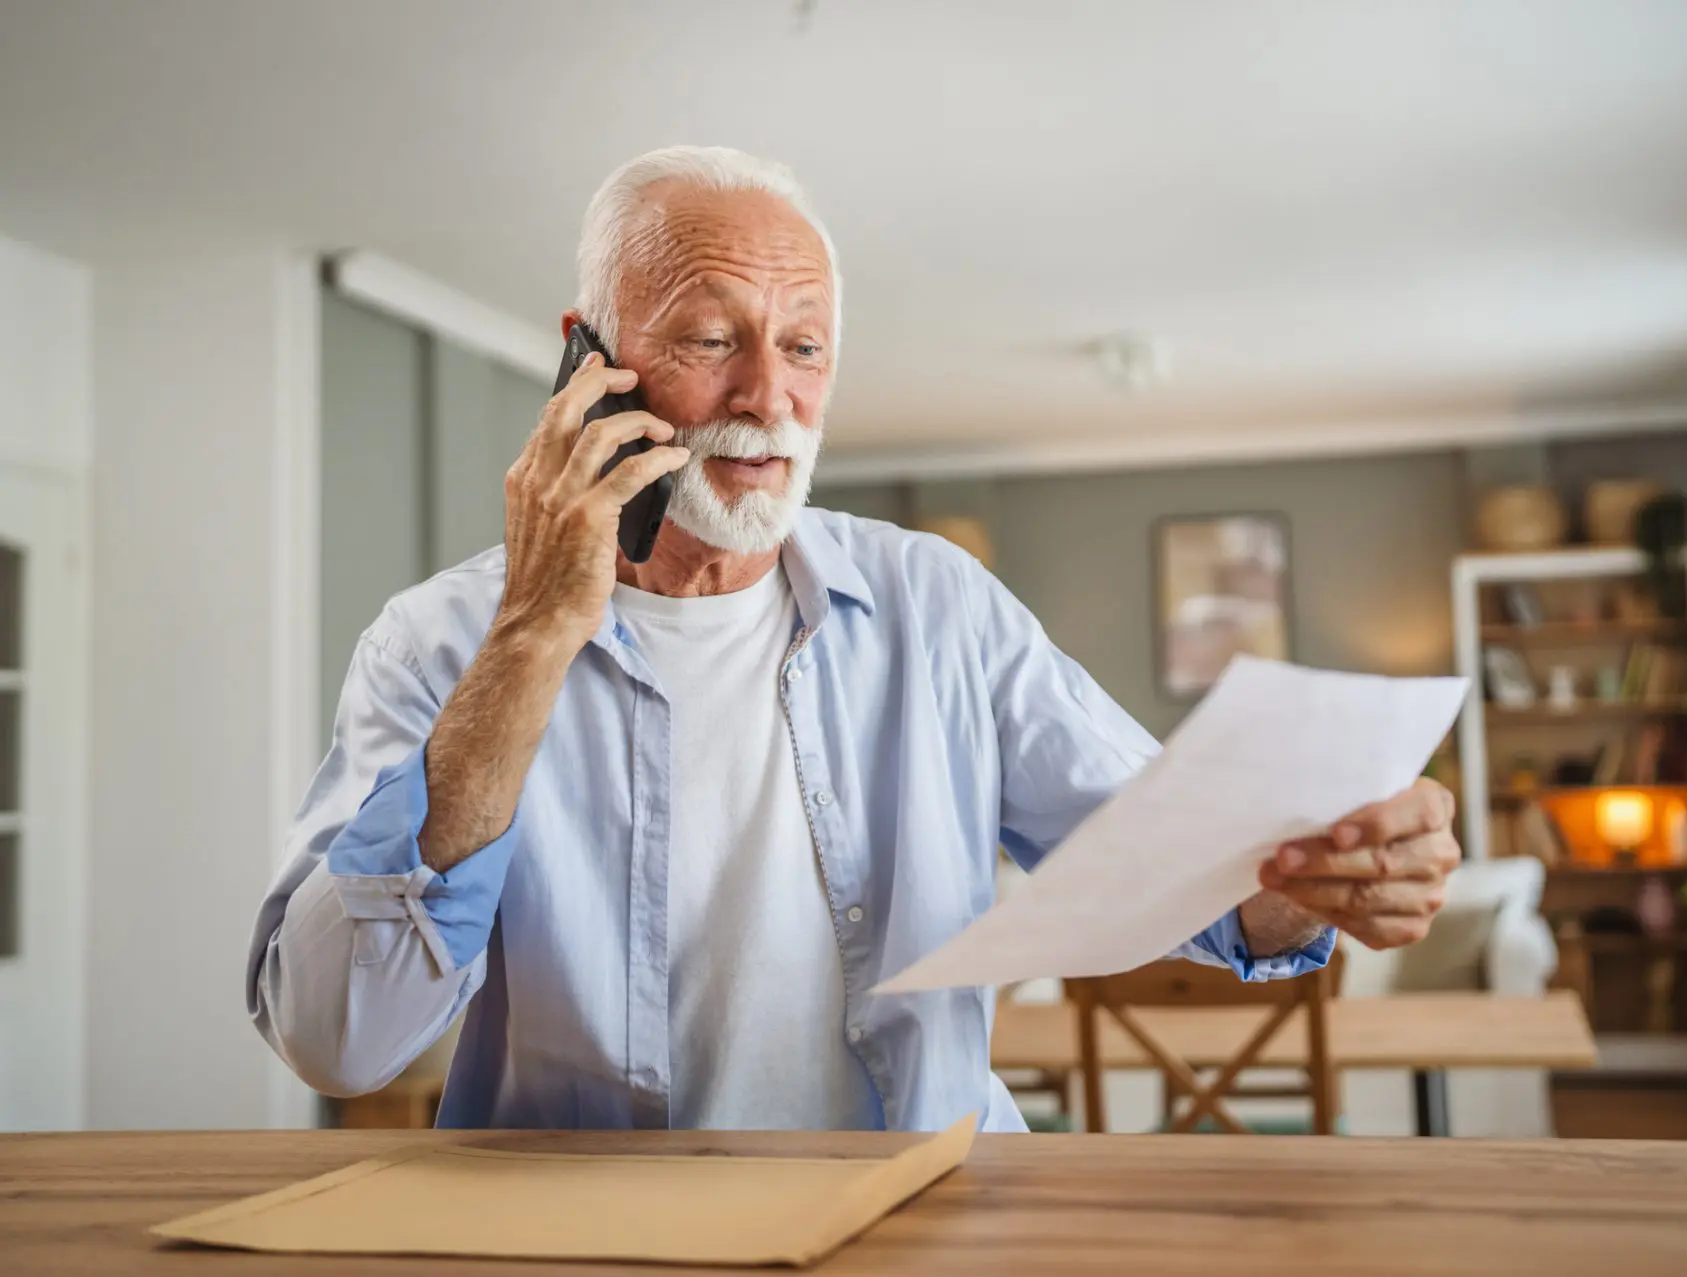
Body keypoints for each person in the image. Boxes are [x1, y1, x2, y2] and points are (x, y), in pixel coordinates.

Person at [248, 146, 1462, 1132]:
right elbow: (336, 1039)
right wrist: (531, 636)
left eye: (806, 345)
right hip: (594, 1241)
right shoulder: (439, 641)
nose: (769, 398)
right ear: (591, 359)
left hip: (928, 1222)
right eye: (711, 338)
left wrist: (1323, 881)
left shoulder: (940, 604)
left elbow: (1185, 865)